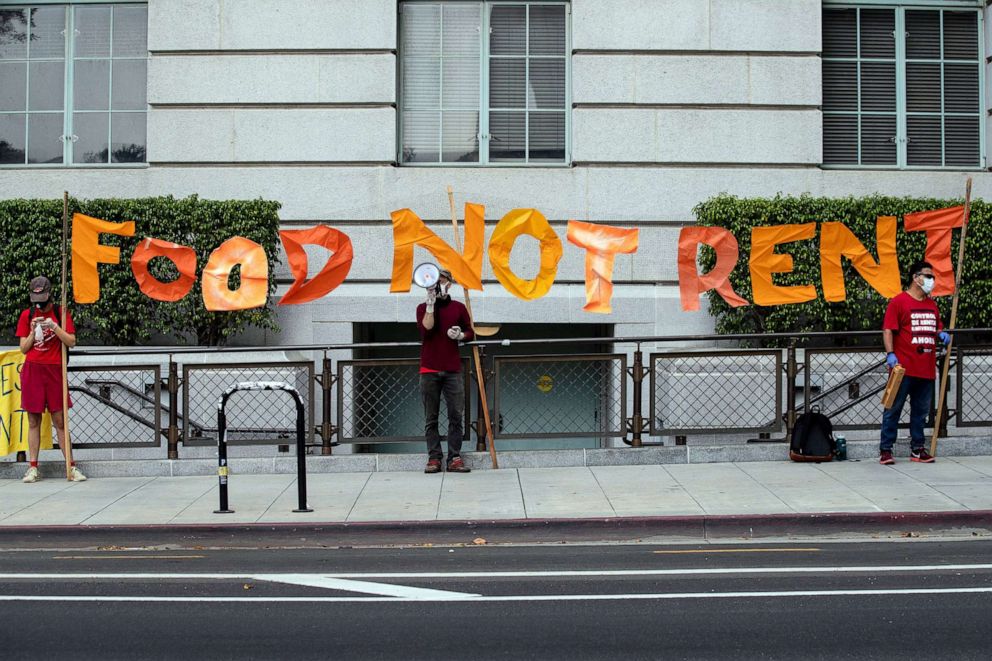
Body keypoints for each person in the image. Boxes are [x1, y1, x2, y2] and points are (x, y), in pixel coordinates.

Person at [15, 276, 86, 483]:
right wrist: (31, 331)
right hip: (33, 371)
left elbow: (71, 341)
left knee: (60, 421)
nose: (40, 303)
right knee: (33, 420)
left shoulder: (60, 313)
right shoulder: (27, 315)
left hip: (55, 371)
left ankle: (70, 467)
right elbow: (23, 348)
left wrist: (54, 327)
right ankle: (33, 467)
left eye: (43, 298)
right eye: (36, 298)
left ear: (49, 295)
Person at [879, 261, 950, 465]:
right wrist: (890, 354)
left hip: (926, 369)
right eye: (928, 276)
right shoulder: (899, 302)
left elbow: (935, 327)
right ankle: (886, 449)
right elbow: (888, 330)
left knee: (920, 413)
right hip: (903, 368)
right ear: (915, 278)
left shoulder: (931, 304)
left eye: (932, 277)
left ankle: (918, 449)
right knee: (893, 409)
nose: (931, 280)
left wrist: (940, 334)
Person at [416, 268, 474, 474]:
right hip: (429, 369)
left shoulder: (458, 308)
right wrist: (431, 305)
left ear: (449, 283)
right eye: (433, 282)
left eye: (441, 281)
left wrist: (460, 336)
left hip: (452, 369)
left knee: (455, 415)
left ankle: (454, 457)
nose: (438, 285)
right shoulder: (422, 307)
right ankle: (434, 457)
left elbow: (470, 332)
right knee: (430, 417)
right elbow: (426, 330)